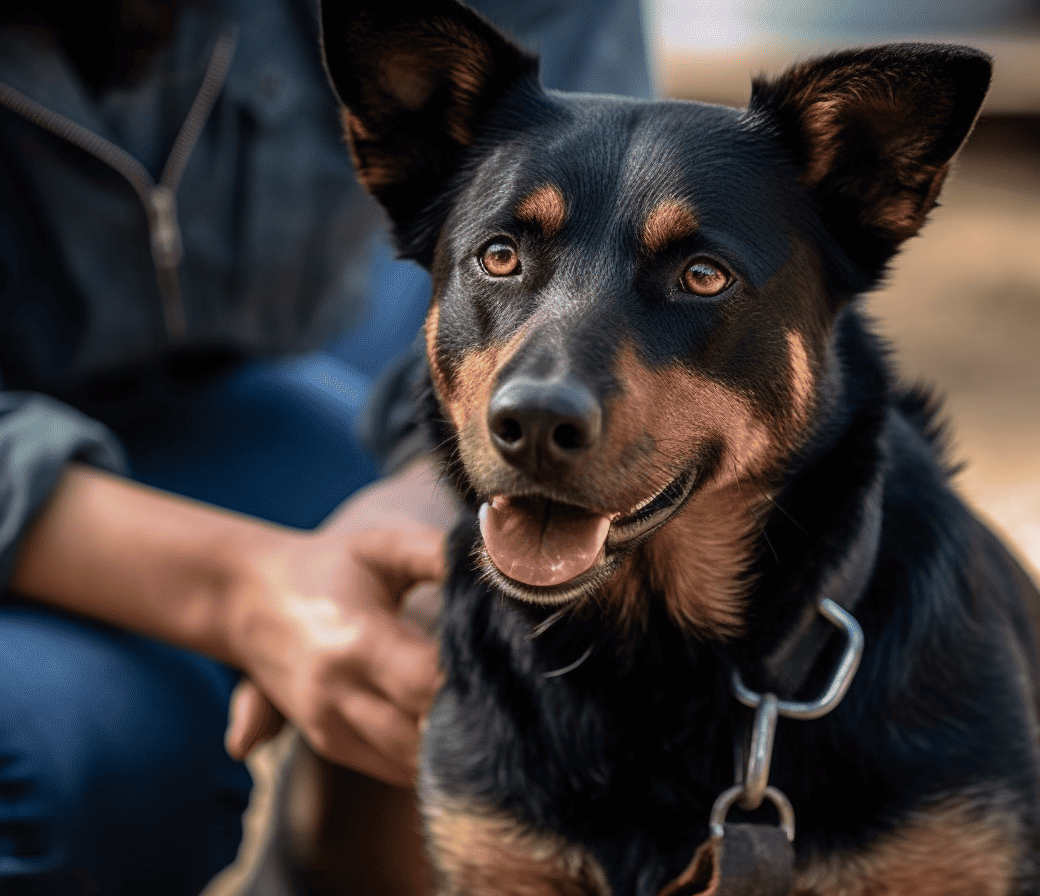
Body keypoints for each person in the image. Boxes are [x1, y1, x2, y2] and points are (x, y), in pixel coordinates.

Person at [0, 1, 651, 893]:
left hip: (226, 394)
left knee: (478, 622)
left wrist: (428, 485)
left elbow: (579, 243)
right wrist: (242, 590)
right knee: (86, 768)